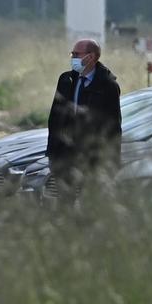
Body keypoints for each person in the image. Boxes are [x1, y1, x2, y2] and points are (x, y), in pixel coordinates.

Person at [47, 38, 122, 194]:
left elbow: (113, 125)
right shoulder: (66, 80)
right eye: (72, 54)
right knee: (63, 200)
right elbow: (54, 118)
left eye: (77, 54)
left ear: (91, 57)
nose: (73, 58)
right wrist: (52, 151)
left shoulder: (108, 86)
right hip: (64, 155)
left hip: (91, 156)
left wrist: (112, 160)